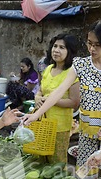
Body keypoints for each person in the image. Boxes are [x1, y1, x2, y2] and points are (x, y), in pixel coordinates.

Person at [23, 20, 101, 179]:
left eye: (97, 45)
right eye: (89, 43)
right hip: (88, 131)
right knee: (87, 178)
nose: (91, 49)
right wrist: (35, 114)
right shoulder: (80, 65)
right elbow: (58, 92)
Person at [33, 33, 80, 163]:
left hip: (60, 126)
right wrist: (37, 97)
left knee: (56, 161)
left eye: (62, 47)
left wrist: (53, 101)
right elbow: (41, 90)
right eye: (55, 46)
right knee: (39, 158)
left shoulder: (72, 73)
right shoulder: (48, 69)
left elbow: (74, 102)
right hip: (42, 122)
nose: (56, 50)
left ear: (69, 51)